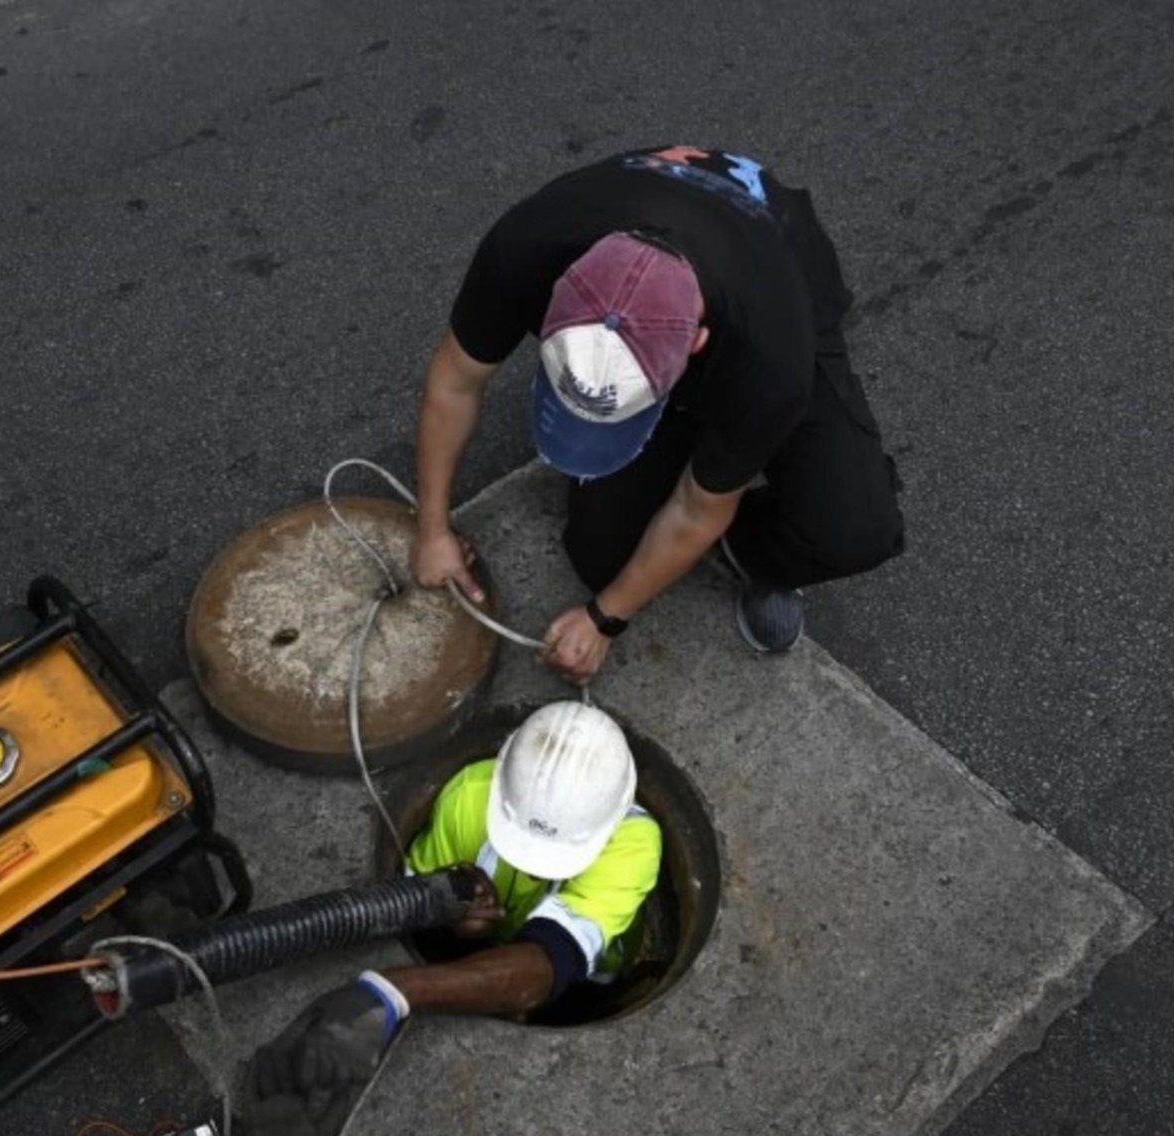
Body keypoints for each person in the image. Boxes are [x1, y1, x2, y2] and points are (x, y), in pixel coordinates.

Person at [412, 145, 905, 674]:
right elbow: (455, 384)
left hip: (781, 278)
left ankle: (752, 552)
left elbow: (698, 510)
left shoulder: (771, 359)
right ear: (556, 298)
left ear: (696, 344)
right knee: (600, 557)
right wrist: (432, 528)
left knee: (853, 531)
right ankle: (679, 470)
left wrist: (605, 620)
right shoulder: (527, 246)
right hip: (672, 216)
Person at [241, 701, 661, 1135]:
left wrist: (390, 992)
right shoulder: (470, 796)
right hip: (491, 958)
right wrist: (453, 925)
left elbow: (547, 965)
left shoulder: (634, 843)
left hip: (586, 985)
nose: (536, 868)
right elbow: (407, 908)